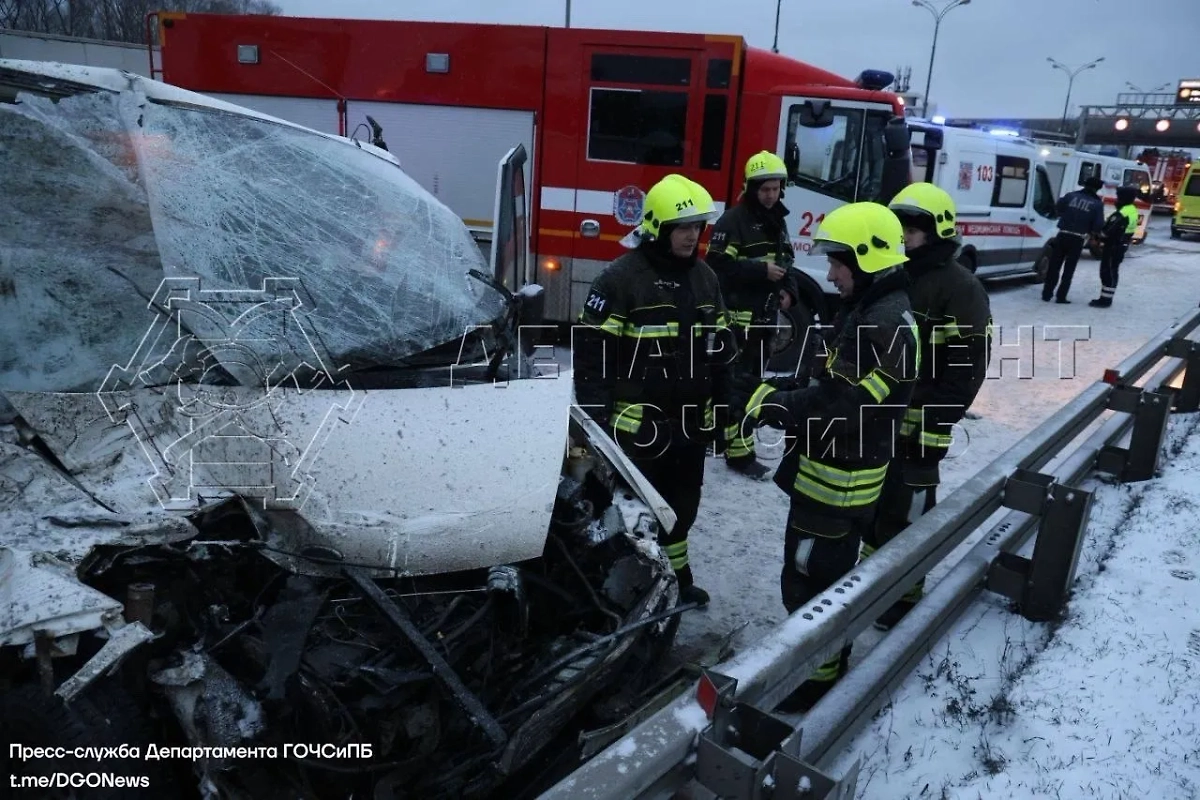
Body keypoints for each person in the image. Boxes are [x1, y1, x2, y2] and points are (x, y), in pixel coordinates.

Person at [740, 202, 919, 711]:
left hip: (835, 483)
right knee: (827, 576)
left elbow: (839, 407)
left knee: (811, 582)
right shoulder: (880, 309)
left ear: (866, 259)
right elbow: (835, 379)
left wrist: (773, 406)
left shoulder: (878, 322)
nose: (830, 272)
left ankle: (815, 682)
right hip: (847, 477)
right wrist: (788, 385)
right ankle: (824, 665)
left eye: (838, 261)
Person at [573, 174, 737, 608]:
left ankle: (676, 578)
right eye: (682, 227)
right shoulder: (619, 280)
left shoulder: (705, 279)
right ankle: (628, 591)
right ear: (657, 228)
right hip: (637, 425)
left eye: (697, 226)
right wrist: (595, 421)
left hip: (689, 424)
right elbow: (593, 356)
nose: (691, 235)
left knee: (682, 508)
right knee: (636, 512)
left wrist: (724, 409)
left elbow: (721, 348)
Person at [860, 182, 992, 631]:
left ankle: (902, 595)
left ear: (937, 232)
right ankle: (871, 585)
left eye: (911, 230)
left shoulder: (960, 288)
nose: (903, 236)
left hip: (919, 426)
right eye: (898, 228)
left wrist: (934, 428)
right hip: (880, 418)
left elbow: (966, 367)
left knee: (910, 508)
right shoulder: (892, 275)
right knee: (874, 507)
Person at [706, 150, 801, 481]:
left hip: (764, 323)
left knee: (750, 387)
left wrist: (789, 290)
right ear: (751, 188)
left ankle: (725, 440)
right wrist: (761, 271)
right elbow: (716, 265)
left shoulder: (778, 221)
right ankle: (740, 454)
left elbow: (786, 260)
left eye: (775, 189)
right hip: (736, 325)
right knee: (737, 388)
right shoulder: (732, 221)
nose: (770, 195)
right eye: (764, 190)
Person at [1042, 175, 1105, 304]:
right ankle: (1061, 297)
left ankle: (1047, 294)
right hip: (1077, 238)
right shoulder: (1097, 204)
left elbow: (1057, 209)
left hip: (1062, 235)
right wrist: (1094, 236)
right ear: (1097, 188)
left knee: (1054, 265)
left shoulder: (1070, 196)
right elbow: (1098, 225)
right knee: (1069, 269)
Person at [1089, 185, 1139, 308]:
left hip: (1113, 246)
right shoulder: (1132, 209)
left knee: (1107, 272)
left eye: (1118, 196)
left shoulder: (1122, 213)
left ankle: (1105, 300)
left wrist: (1096, 235)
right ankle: (1107, 297)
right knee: (1113, 270)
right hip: (1121, 245)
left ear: (1123, 198)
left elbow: (1107, 231)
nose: (1116, 199)